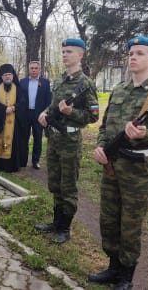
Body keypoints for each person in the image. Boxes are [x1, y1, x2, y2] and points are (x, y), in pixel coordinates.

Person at [88, 36, 148, 290]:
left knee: (130, 225)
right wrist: (99, 146)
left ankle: (126, 277)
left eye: (140, 53)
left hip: (138, 172)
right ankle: (112, 268)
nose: (133, 56)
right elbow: (106, 126)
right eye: (131, 52)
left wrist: (146, 134)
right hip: (112, 167)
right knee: (108, 220)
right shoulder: (119, 89)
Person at [35, 39, 99, 244]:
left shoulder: (85, 84)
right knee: (55, 182)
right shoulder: (60, 80)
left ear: (80, 55)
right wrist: (44, 113)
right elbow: (53, 106)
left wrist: (72, 112)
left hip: (70, 140)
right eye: (62, 51)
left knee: (68, 185)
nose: (64, 55)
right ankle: (56, 222)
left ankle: (64, 228)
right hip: (54, 138)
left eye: (69, 51)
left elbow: (93, 116)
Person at [0, 63, 26, 172]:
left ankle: (10, 166)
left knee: (12, 142)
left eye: (9, 74)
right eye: (5, 75)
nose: (7, 77)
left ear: (13, 76)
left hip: (13, 120)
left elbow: (23, 103)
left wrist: (14, 108)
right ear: (1, 77)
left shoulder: (17, 88)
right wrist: (4, 109)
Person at [19, 61, 51, 169]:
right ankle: (23, 160)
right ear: (29, 69)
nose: (33, 70)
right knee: (24, 138)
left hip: (39, 114)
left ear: (39, 69)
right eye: (31, 68)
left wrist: (45, 113)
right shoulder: (22, 82)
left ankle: (35, 161)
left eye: (36, 68)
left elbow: (48, 100)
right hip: (25, 114)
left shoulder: (45, 82)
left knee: (38, 138)